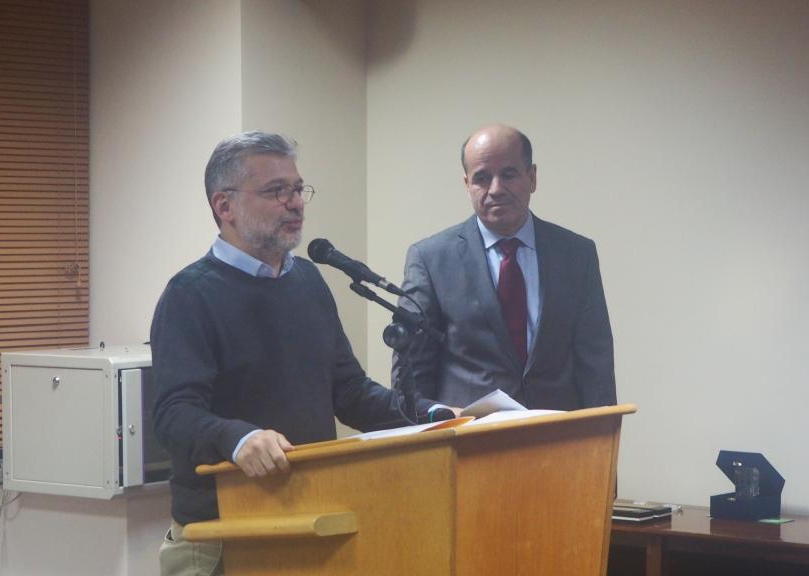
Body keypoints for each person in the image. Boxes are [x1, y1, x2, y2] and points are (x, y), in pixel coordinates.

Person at [151, 131, 434, 576]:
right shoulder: (189, 295)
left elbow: (350, 392)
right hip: (222, 535)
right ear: (224, 206)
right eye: (276, 191)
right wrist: (239, 439)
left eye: (298, 189)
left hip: (311, 520)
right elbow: (173, 414)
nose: (296, 203)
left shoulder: (308, 281)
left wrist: (432, 414)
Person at [393, 124, 616, 412]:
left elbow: (595, 365)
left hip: (559, 432)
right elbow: (412, 379)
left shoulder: (576, 254)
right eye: (482, 178)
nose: (496, 189)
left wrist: (603, 432)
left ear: (532, 177)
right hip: (470, 434)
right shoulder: (430, 260)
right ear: (467, 184)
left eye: (508, 174)